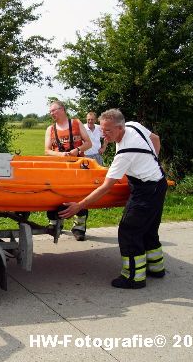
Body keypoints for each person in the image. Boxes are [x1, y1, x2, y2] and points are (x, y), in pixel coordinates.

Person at [59, 108, 167, 289]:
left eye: (108, 131)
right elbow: (155, 139)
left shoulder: (125, 152)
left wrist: (80, 205)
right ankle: (156, 268)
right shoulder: (134, 125)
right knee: (148, 229)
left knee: (129, 231)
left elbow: (106, 187)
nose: (103, 134)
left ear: (120, 129)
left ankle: (134, 277)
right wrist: (150, 161)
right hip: (159, 183)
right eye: (102, 129)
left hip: (145, 190)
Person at [44, 100, 92, 241]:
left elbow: (89, 143)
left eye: (54, 110)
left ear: (62, 109)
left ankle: (79, 227)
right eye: (50, 111)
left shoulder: (76, 123)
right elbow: (47, 151)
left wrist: (77, 150)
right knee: (55, 194)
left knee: (80, 195)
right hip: (59, 169)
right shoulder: (50, 129)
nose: (51, 113)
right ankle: (54, 223)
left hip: (78, 167)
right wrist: (60, 155)